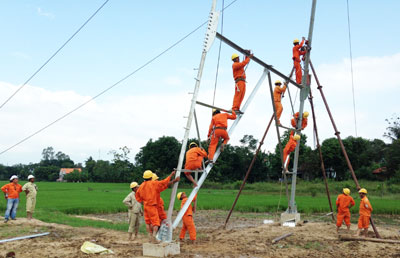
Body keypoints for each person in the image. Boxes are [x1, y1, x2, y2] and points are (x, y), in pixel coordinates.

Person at [135, 170, 180, 241]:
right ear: (151, 177)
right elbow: (164, 182)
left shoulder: (141, 186)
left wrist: (143, 201)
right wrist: (171, 175)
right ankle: (154, 236)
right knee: (155, 222)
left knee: (148, 222)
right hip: (152, 206)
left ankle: (149, 236)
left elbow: (137, 197)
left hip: (146, 206)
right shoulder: (154, 184)